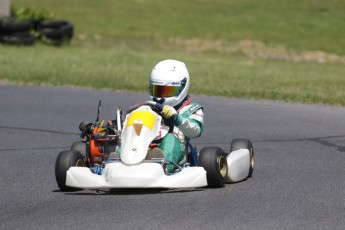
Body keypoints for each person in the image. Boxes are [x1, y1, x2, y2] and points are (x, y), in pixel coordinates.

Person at [147, 59, 204, 172]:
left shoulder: (191, 109)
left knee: (170, 138)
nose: (160, 96)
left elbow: (196, 131)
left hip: (177, 149)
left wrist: (177, 119)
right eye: (157, 90)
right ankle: (118, 159)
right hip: (148, 142)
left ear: (182, 88)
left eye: (167, 91)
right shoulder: (148, 108)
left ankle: (163, 166)